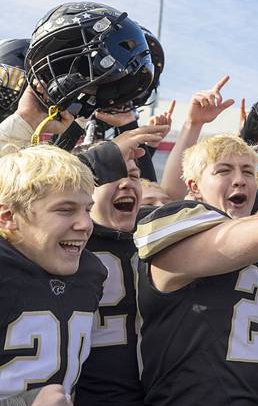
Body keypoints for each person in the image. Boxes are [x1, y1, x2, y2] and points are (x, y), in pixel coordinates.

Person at [133, 111, 258, 405]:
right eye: (224, 170)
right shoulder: (172, 225)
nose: (240, 180)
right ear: (193, 187)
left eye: (247, 171)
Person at [0, 145, 106, 402]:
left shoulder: (90, 272)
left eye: (87, 210)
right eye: (65, 210)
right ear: (8, 217)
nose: (85, 225)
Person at [73, 126, 168, 405]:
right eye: (113, 175)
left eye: (134, 177)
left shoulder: (153, 231)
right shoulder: (65, 242)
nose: (127, 183)